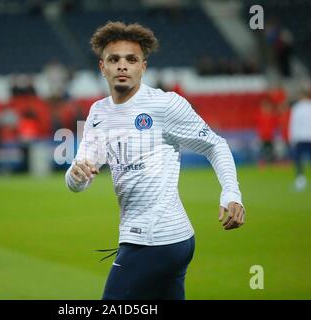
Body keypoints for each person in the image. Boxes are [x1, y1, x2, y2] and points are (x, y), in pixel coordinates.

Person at [64, 22, 245, 300]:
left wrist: (231, 193)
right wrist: (75, 175)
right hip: (165, 240)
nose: (122, 66)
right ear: (103, 67)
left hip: (155, 238)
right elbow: (79, 178)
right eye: (114, 59)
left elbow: (215, 145)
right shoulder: (98, 112)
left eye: (131, 59)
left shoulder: (165, 105)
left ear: (143, 67)